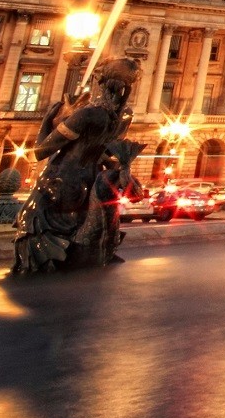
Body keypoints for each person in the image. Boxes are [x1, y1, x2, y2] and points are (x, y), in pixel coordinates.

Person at [12, 58, 143, 275]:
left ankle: (42, 272)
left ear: (101, 81)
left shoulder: (88, 114)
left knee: (31, 223)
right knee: (77, 233)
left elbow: (41, 151)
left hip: (61, 179)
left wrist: (52, 117)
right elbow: (107, 154)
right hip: (91, 182)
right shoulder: (123, 117)